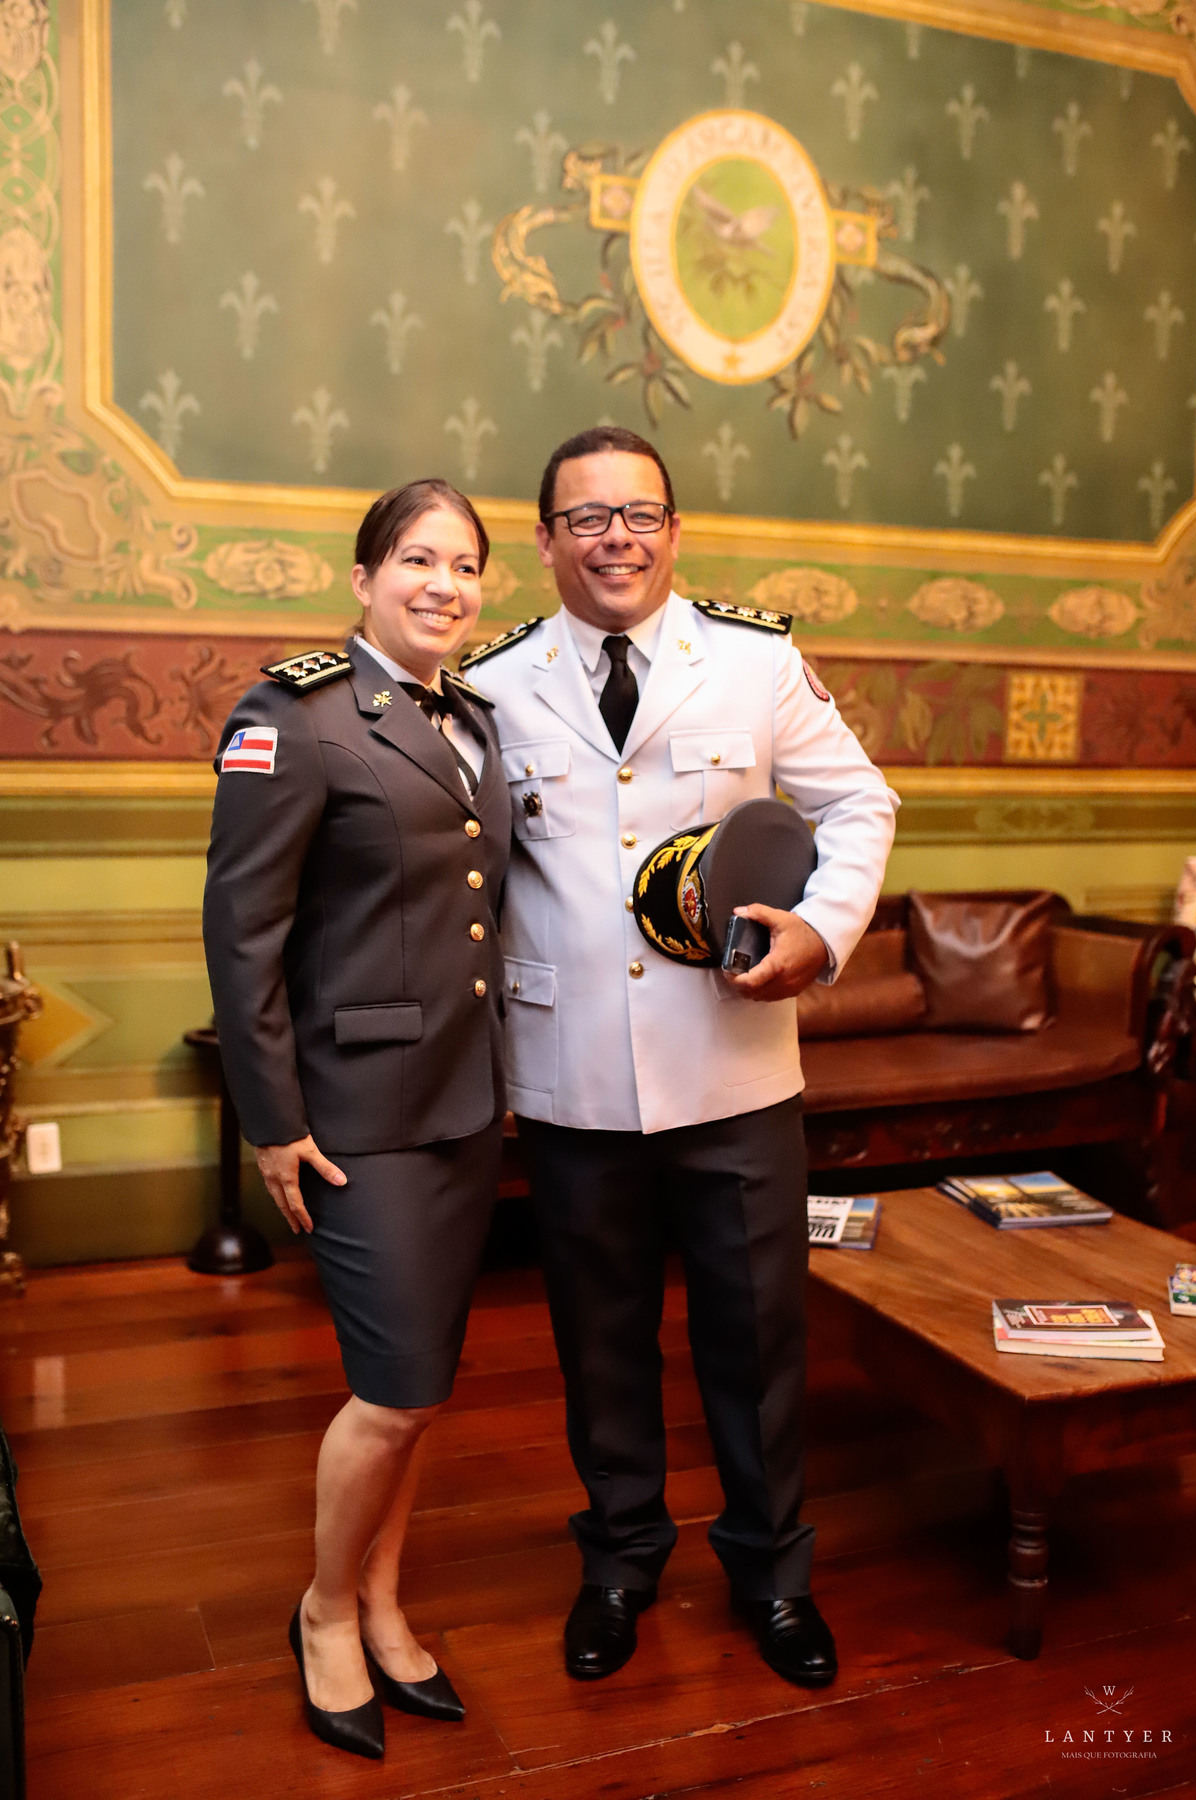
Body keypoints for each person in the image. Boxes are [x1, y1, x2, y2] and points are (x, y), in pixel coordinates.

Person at [463, 427, 897, 1688]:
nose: (616, 538)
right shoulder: (492, 685)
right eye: (586, 519)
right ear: (544, 541)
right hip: (573, 1074)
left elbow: (860, 804)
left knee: (756, 1341)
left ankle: (773, 1578)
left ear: (673, 529)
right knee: (599, 1340)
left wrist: (822, 930)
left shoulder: (755, 664)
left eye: (640, 515)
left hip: (736, 1069)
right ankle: (618, 1563)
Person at [203, 479, 509, 1760]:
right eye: (419, 560)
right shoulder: (296, 713)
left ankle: (385, 1599)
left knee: (423, 1390)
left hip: (464, 1098)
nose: (444, 584)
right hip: (356, 1112)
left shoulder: (475, 716)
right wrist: (270, 1120)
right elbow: (243, 928)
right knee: (386, 1392)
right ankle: (326, 1612)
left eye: (465, 565)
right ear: (365, 576)